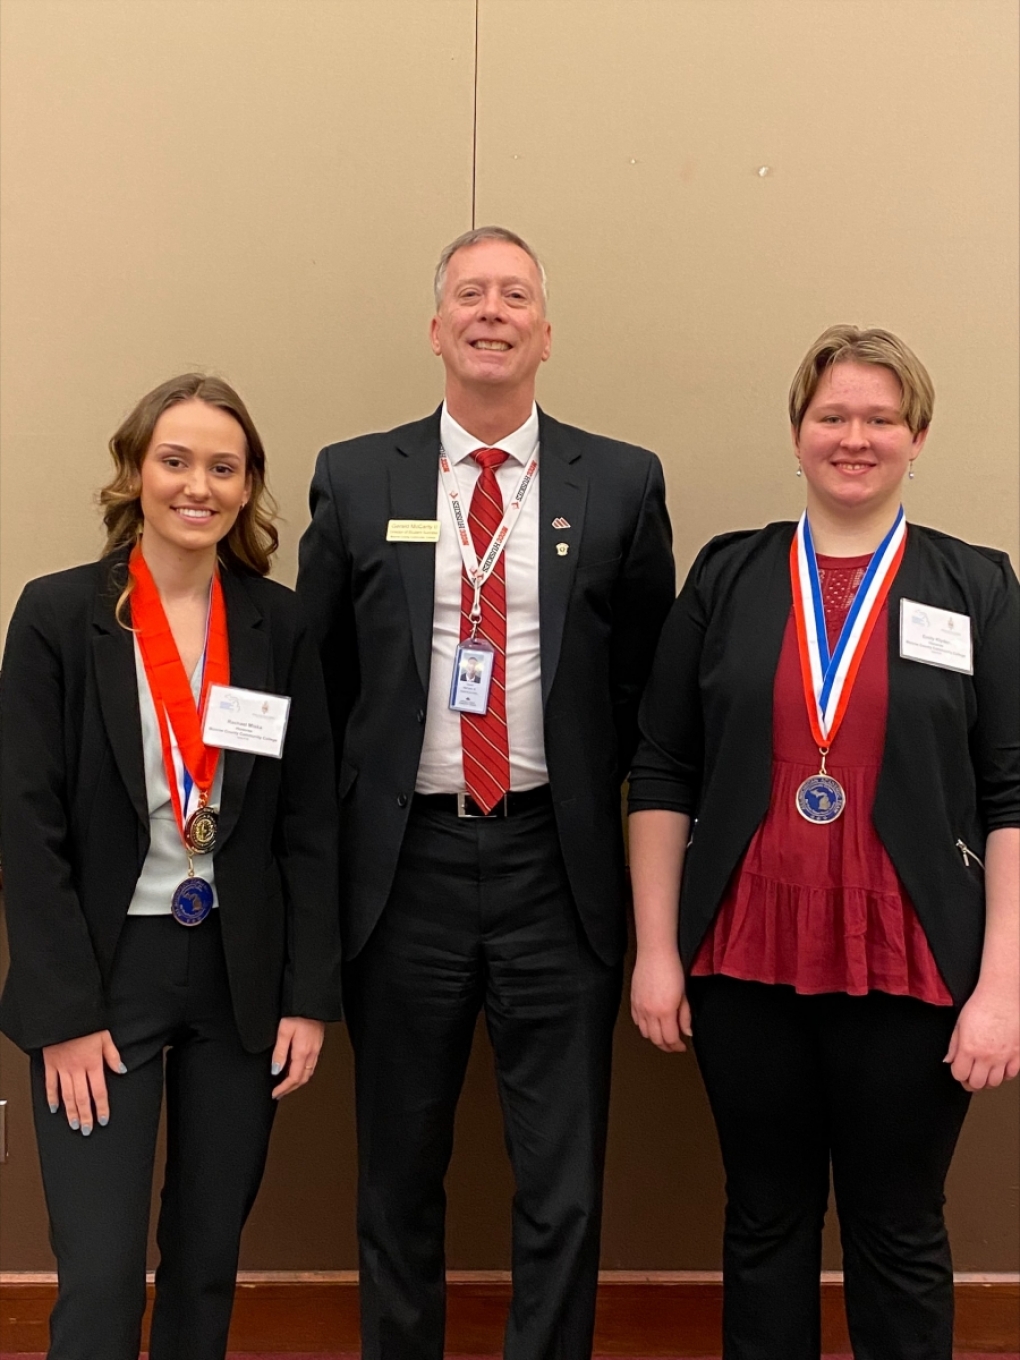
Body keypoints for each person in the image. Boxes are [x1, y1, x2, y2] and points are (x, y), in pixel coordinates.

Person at [297, 225, 674, 1359]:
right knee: (397, 1174)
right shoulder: (359, 475)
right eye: (471, 293)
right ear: (437, 328)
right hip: (402, 869)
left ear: (545, 332)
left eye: (515, 295)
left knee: (561, 1180)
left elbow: (642, 684)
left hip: (554, 871)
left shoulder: (619, 480)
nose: (493, 311)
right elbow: (324, 680)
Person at [627, 325, 1019, 1360]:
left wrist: (1004, 987)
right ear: (798, 433)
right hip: (744, 957)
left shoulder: (976, 585)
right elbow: (662, 769)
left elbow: (1010, 793)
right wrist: (658, 950)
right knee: (764, 1220)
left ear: (917, 436)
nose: (856, 437)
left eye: (881, 418)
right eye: (832, 415)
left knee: (897, 1225)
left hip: (916, 959)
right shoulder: (728, 577)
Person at [0, 374, 343, 1360]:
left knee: (204, 1257)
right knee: (103, 1275)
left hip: (239, 978)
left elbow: (310, 822)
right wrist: (63, 1016)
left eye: (223, 467)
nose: (198, 484)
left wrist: (307, 995)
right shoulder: (61, 616)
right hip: (104, 979)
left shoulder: (277, 625)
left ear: (248, 488)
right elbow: (27, 827)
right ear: (137, 471)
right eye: (176, 459)